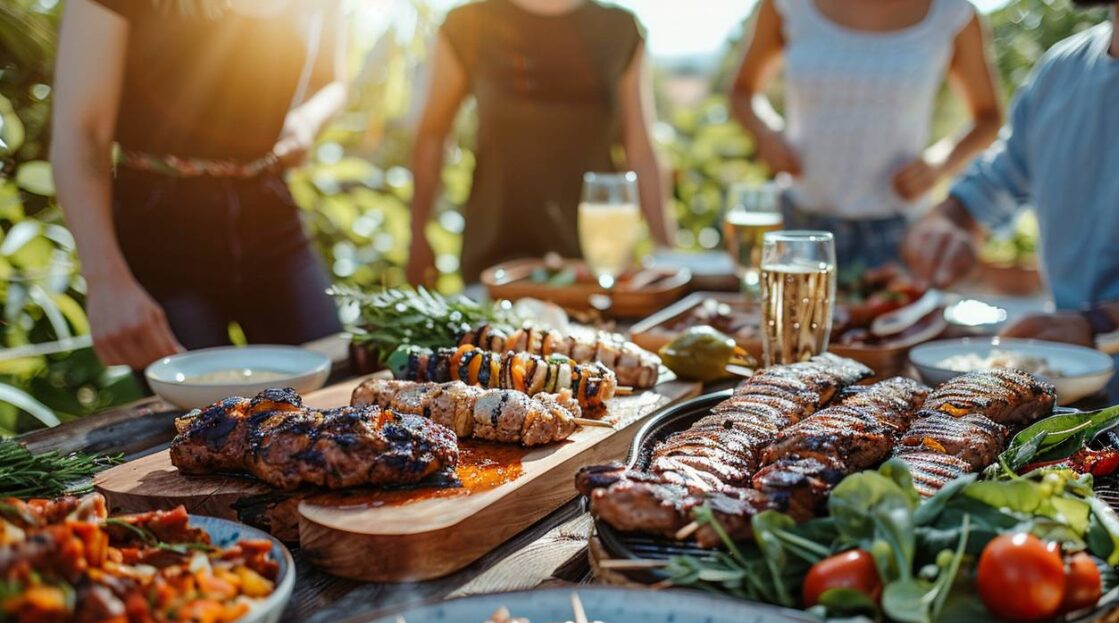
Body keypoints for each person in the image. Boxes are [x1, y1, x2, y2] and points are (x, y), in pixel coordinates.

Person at [903, 0, 1119, 623]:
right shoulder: (1064, 68)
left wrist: (1099, 323)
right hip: (1081, 462)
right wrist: (951, 224)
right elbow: (993, 183)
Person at [51, 0, 346, 370]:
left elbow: (331, 79)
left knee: (333, 388)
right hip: (160, 231)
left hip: (270, 213)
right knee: (203, 418)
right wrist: (104, 279)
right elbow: (83, 130)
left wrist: (307, 119)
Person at [407, 0, 675, 287]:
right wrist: (418, 235)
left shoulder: (619, 30)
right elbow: (433, 136)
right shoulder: (468, 24)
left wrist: (667, 252)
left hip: (595, 263)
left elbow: (640, 150)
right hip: (497, 257)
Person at [729, 0, 1002, 277]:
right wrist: (767, 133)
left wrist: (938, 163)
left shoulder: (952, 12)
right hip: (797, 227)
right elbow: (742, 92)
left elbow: (989, 117)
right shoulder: (786, 5)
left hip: (897, 234)